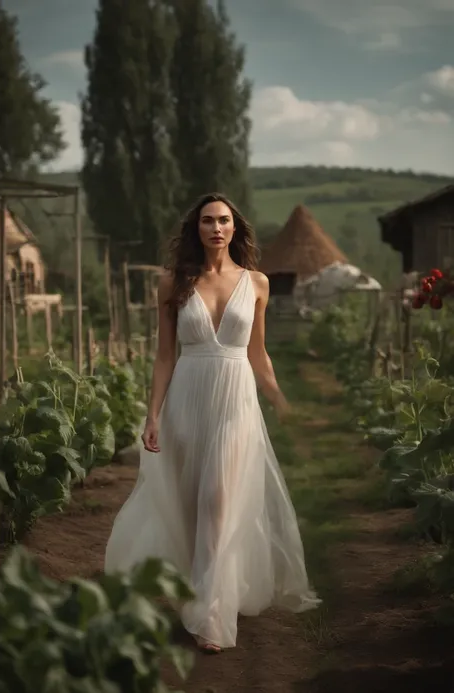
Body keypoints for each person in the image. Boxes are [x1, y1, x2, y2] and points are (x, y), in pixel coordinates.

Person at [104, 193, 321, 654]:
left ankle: (211, 617)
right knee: (190, 508)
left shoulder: (257, 283)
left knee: (218, 501)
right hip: (187, 398)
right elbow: (165, 356)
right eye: (207, 221)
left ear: (235, 229)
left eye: (224, 220)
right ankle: (201, 590)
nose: (216, 228)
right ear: (196, 229)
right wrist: (153, 414)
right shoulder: (173, 283)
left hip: (235, 402)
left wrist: (279, 397)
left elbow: (257, 354)